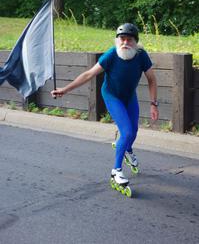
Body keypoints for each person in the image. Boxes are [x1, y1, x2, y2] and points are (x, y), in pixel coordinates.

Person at [51, 23, 159, 186]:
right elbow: (88, 74)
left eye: (129, 40)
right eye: (122, 39)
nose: (125, 43)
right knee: (127, 132)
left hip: (129, 96)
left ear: (135, 42)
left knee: (133, 131)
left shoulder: (141, 55)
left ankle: (126, 150)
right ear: (117, 40)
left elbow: (152, 79)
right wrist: (65, 90)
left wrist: (153, 104)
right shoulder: (111, 55)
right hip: (112, 96)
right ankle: (116, 171)